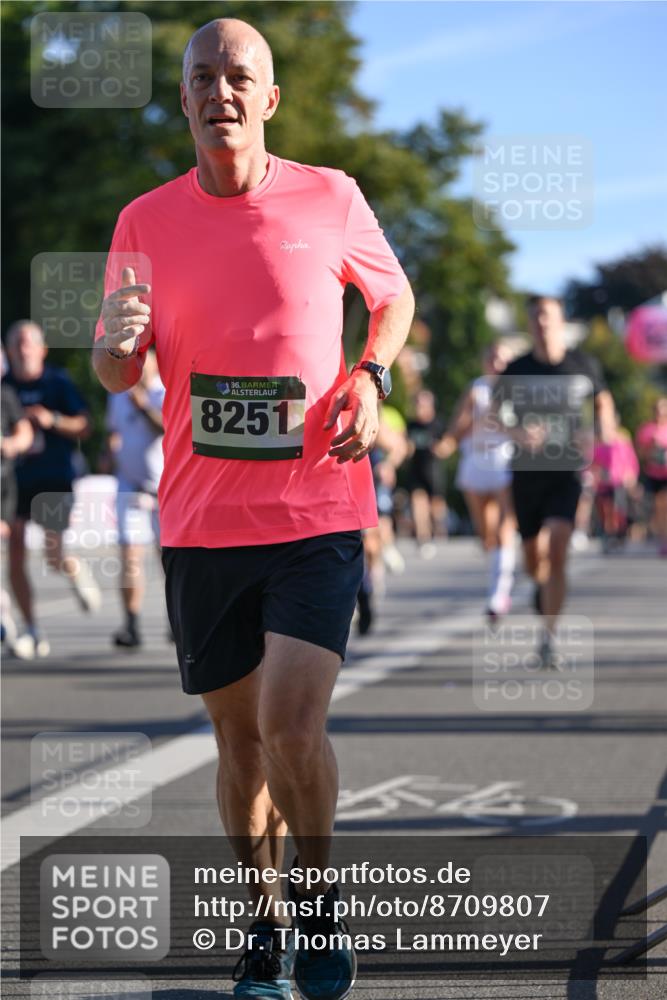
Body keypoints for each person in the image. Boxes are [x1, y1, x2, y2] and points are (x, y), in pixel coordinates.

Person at [92, 17, 414, 1000]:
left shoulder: (331, 196)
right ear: (183, 100)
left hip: (316, 510)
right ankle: (263, 927)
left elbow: (391, 297)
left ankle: (316, 907)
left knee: (287, 723)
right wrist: (115, 335)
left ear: (268, 98)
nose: (220, 91)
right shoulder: (144, 220)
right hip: (200, 520)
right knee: (238, 749)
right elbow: (115, 367)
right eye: (202, 78)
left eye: (239, 76)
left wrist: (370, 374)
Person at [494, 296, 616, 667]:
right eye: (535, 318)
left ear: (561, 320)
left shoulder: (583, 364)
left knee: (559, 544)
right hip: (527, 473)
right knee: (535, 559)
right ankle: (540, 587)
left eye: (547, 317)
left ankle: (548, 638)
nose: (541, 324)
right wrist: (518, 432)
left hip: (566, 471)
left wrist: (601, 432)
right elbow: (493, 416)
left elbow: (603, 402)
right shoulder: (516, 368)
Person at [3, 321, 100, 659]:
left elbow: (86, 425)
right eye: (16, 343)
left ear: (42, 349)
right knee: (14, 548)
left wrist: (52, 420)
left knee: (53, 552)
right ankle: (31, 628)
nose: (22, 349)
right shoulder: (5, 387)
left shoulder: (57, 382)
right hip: (15, 479)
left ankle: (74, 570)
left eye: (28, 343)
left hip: (54, 476)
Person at [437, 342, 516, 619]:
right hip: (476, 461)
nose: (497, 364)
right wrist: (448, 442)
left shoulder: (516, 391)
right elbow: (460, 422)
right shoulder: (477, 388)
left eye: (502, 359)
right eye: (493, 358)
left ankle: (499, 594)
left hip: (505, 459)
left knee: (505, 527)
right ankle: (499, 575)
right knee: (487, 533)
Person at [105, 348, 165, 647]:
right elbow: (113, 430)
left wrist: (143, 408)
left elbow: (167, 428)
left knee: (169, 559)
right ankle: (131, 623)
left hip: (163, 489)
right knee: (129, 557)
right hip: (129, 485)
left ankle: (177, 621)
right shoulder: (118, 395)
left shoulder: (163, 394)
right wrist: (109, 451)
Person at [356, 404, 408, 635]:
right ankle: (362, 592)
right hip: (337, 486)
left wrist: (388, 465)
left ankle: (369, 586)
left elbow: (399, 446)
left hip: (368, 484)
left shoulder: (371, 412)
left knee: (368, 543)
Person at [1, 372, 34, 647]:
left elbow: (25, 433)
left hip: (3, 488)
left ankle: (17, 623)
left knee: (11, 555)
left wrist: (10, 444)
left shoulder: (5, 396)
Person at [406, 389, 447, 558]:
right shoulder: (411, 425)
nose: (420, 408)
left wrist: (440, 448)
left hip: (433, 471)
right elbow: (406, 444)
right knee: (418, 503)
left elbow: (447, 446)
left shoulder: (437, 424)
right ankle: (423, 539)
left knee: (435, 508)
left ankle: (438, 530)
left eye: (423, 404)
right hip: (416, 470)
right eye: (417, 404)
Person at [591, 415, 639, 553]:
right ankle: (608, 535)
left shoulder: (622, 444)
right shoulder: (598, 446)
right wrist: (597, 475)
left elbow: (631, 461)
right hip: (603, 484)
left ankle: (619, 535)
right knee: (605, 510)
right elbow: (593, 464)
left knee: (618, 509)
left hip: (619, 483)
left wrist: (631, 475)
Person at [636, 397, 667, 556]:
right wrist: (651, 447)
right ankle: (663, 540)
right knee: (659, 508)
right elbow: (640, 454)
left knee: (664, 505)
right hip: (654, 474)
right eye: (657, 410)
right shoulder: (646, 429)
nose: (659, 413)